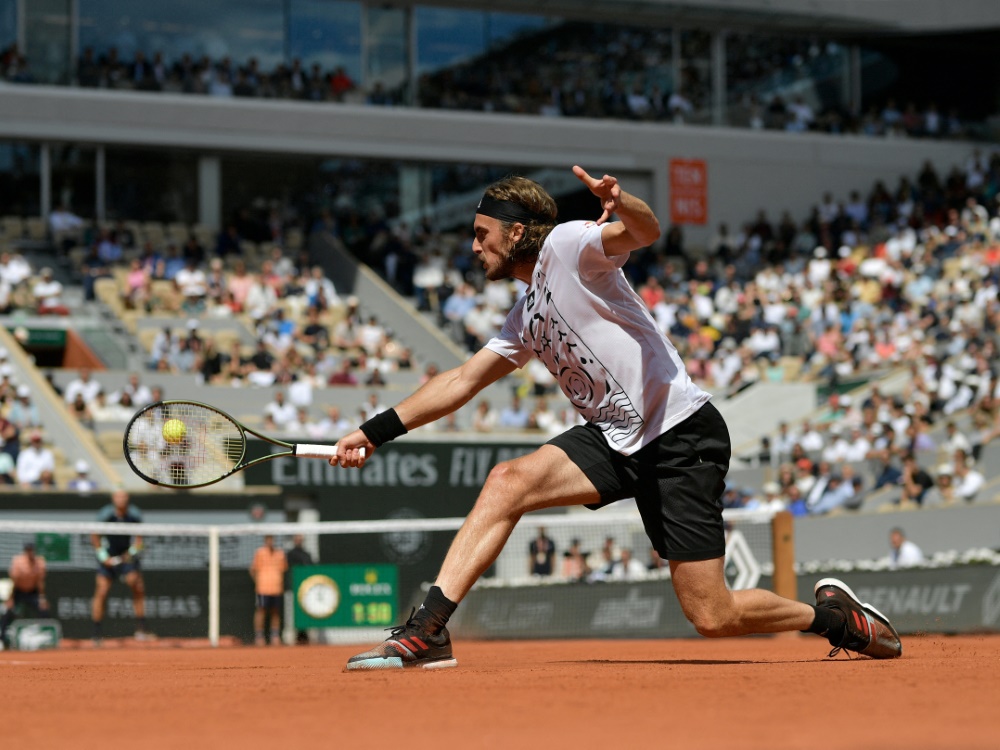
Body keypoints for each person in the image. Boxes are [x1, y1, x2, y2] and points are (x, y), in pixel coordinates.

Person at [330, 166, 902, 670]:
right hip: (615, 438)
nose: (474, 247)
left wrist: (623, 202)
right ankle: (429, 630)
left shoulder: (568, 245)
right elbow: (461, 381)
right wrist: (372, 433)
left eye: (482, 234)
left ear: (517, 231)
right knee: (508, 481)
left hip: (679, 434)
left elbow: (645, 232)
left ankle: (834, 619)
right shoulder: (525, 314)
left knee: (713, 615)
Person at [91, 489, 152, 642]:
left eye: (124, 496)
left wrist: (130, 554)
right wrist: (103, 557)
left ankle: (141, 630)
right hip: (108, 555)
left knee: (137, 585)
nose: (121, 499)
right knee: (102, 590)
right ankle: (97, 633)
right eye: (118, 496)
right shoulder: (105, 514)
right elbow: (94, 535)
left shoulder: (134, 515)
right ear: (113, 499)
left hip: (127, 557)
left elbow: (139, 539)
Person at [0, 541, 50, 649]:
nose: (29, 552)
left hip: (32, 592)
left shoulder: (40, 562)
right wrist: (10, 599)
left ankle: (44, 639)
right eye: (28, 550)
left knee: (44, 610)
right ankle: (2, 639)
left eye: (31, 550)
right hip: (18, 592)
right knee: (7, 612)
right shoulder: (18, 562)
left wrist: (42, 598)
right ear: (25, 551)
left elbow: (40, 582)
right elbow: (14, 582)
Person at [250, 534, 287, 646]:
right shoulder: (260, 553)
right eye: (268, 540)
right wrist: (259, 582)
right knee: (261, 611)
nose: (270, 542)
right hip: (263, 589)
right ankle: (259, 636)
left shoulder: (280, 554)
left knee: (275, 611)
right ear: (265, 541)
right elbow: (253, 569)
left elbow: (284, 569)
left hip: (276, 588)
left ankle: (275, 636)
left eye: (272, 540)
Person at [286, 534, 314, 645]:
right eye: (297, 539)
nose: (298, 541)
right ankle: (294, 635)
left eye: (300, 539)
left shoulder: (306, 555)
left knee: (306, 611)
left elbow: (311, 569)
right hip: (293, 588)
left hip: (306, 590)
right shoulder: (290, 554)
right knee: (293, 612)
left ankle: (305, 635)